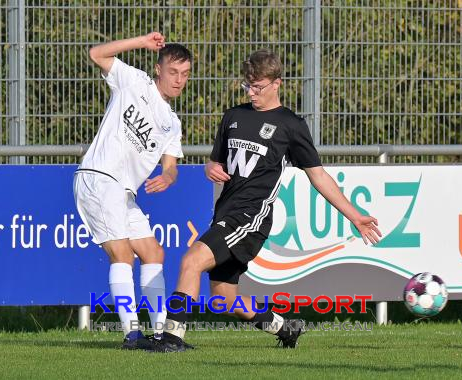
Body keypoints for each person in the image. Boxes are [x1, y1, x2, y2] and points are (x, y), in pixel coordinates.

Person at [156, 49, 382, 352]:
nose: (251, 93)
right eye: (247, 86)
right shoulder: (234, 116)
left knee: (190, 261)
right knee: (224, 300)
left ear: (277, 83)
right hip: (226, 211)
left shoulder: (290, 125)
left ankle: (171, 340)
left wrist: (354, 216)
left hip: (251, 217)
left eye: (257, 86)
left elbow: (318, 176)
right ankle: (286, 327)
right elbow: (215, 161)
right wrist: (211, 167)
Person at [73, 32, 192, 350]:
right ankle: (131, 335)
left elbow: (171, 165)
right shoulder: (134, 81)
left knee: (154, 253)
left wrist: (169, 176)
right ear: (158, 70)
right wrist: (139, 42)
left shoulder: (172, 122)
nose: (178, 80)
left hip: (123, 192)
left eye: (184, 74)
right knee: (122, 254)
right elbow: (96, 52)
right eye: (173, 72)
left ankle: (161, 335)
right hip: (99, 177)